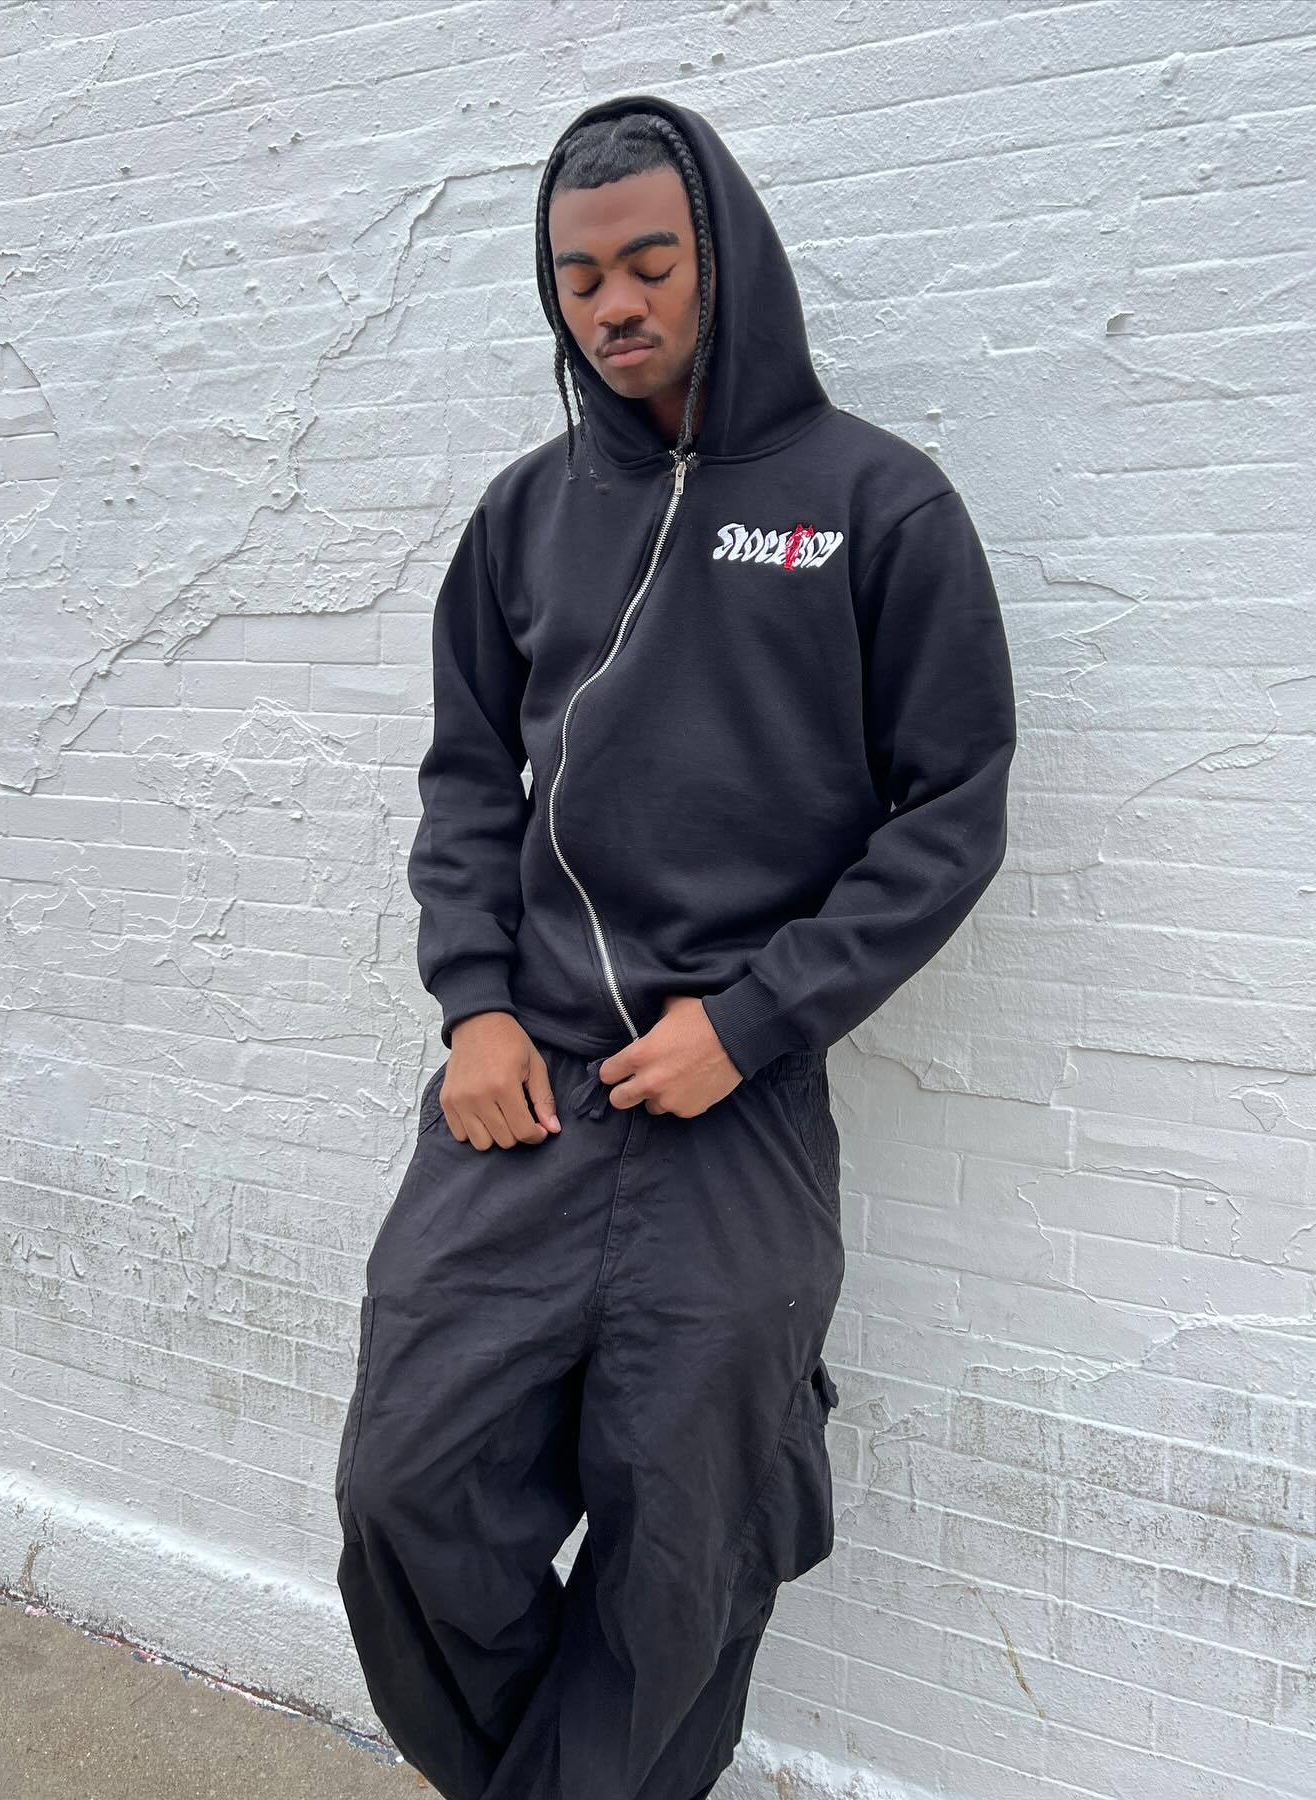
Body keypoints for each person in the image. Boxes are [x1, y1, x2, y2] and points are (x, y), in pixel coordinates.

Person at [334, 93, 1017, 1800]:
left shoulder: (876, 504)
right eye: (580, 279)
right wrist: (473, 1007)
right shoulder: (524, 514)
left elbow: (950, 811)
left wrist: (758, 1017)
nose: (614, 306)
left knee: (688, 1541)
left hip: (735, 1107)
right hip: (526, 1092)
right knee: (406, 1489)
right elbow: (466, 776)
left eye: (649, 264)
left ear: (725, 259)